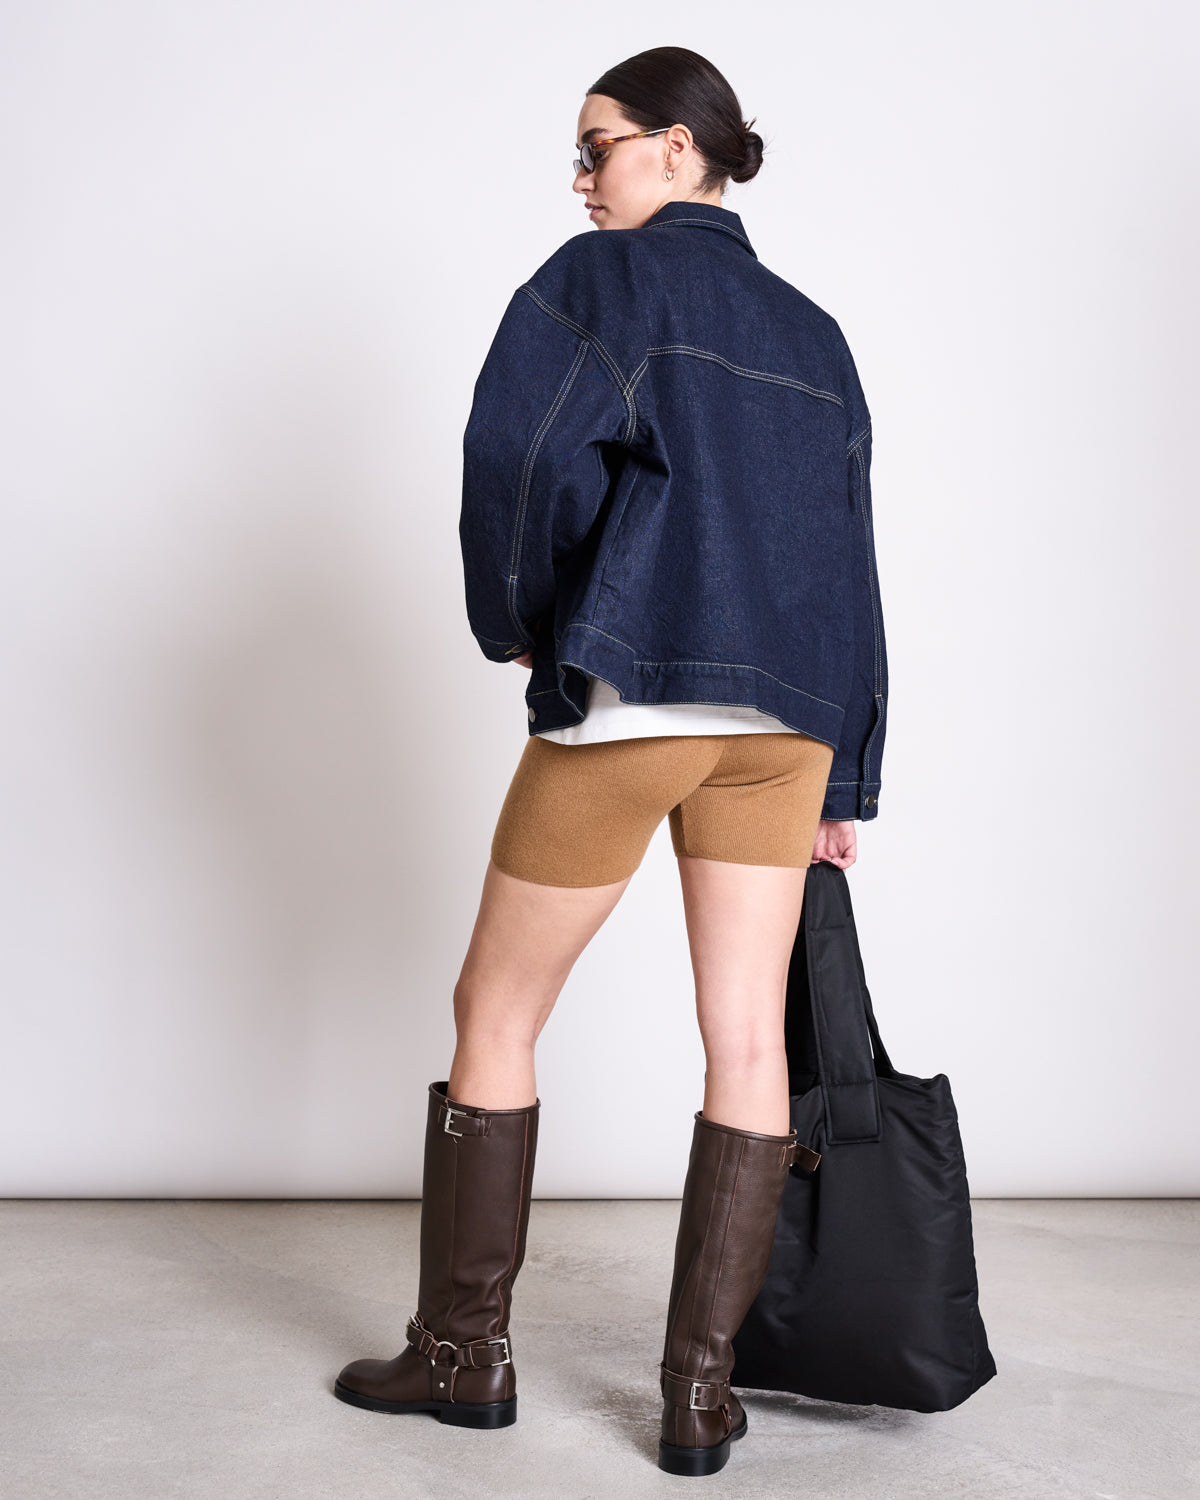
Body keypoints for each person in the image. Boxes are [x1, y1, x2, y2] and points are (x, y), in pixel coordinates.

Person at [333, 45, 888, 1478]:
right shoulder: (817, 334)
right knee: (748, 1041)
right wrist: (846, 777)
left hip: (639, 703)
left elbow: (513, 462)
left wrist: (529, 625)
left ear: (683, 148)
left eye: (599, 148)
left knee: (495, 1009)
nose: (581, 179)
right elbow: (850, 561)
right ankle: (699, 1402)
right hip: (786, 731)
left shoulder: (596, 288)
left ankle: (465, 1363)